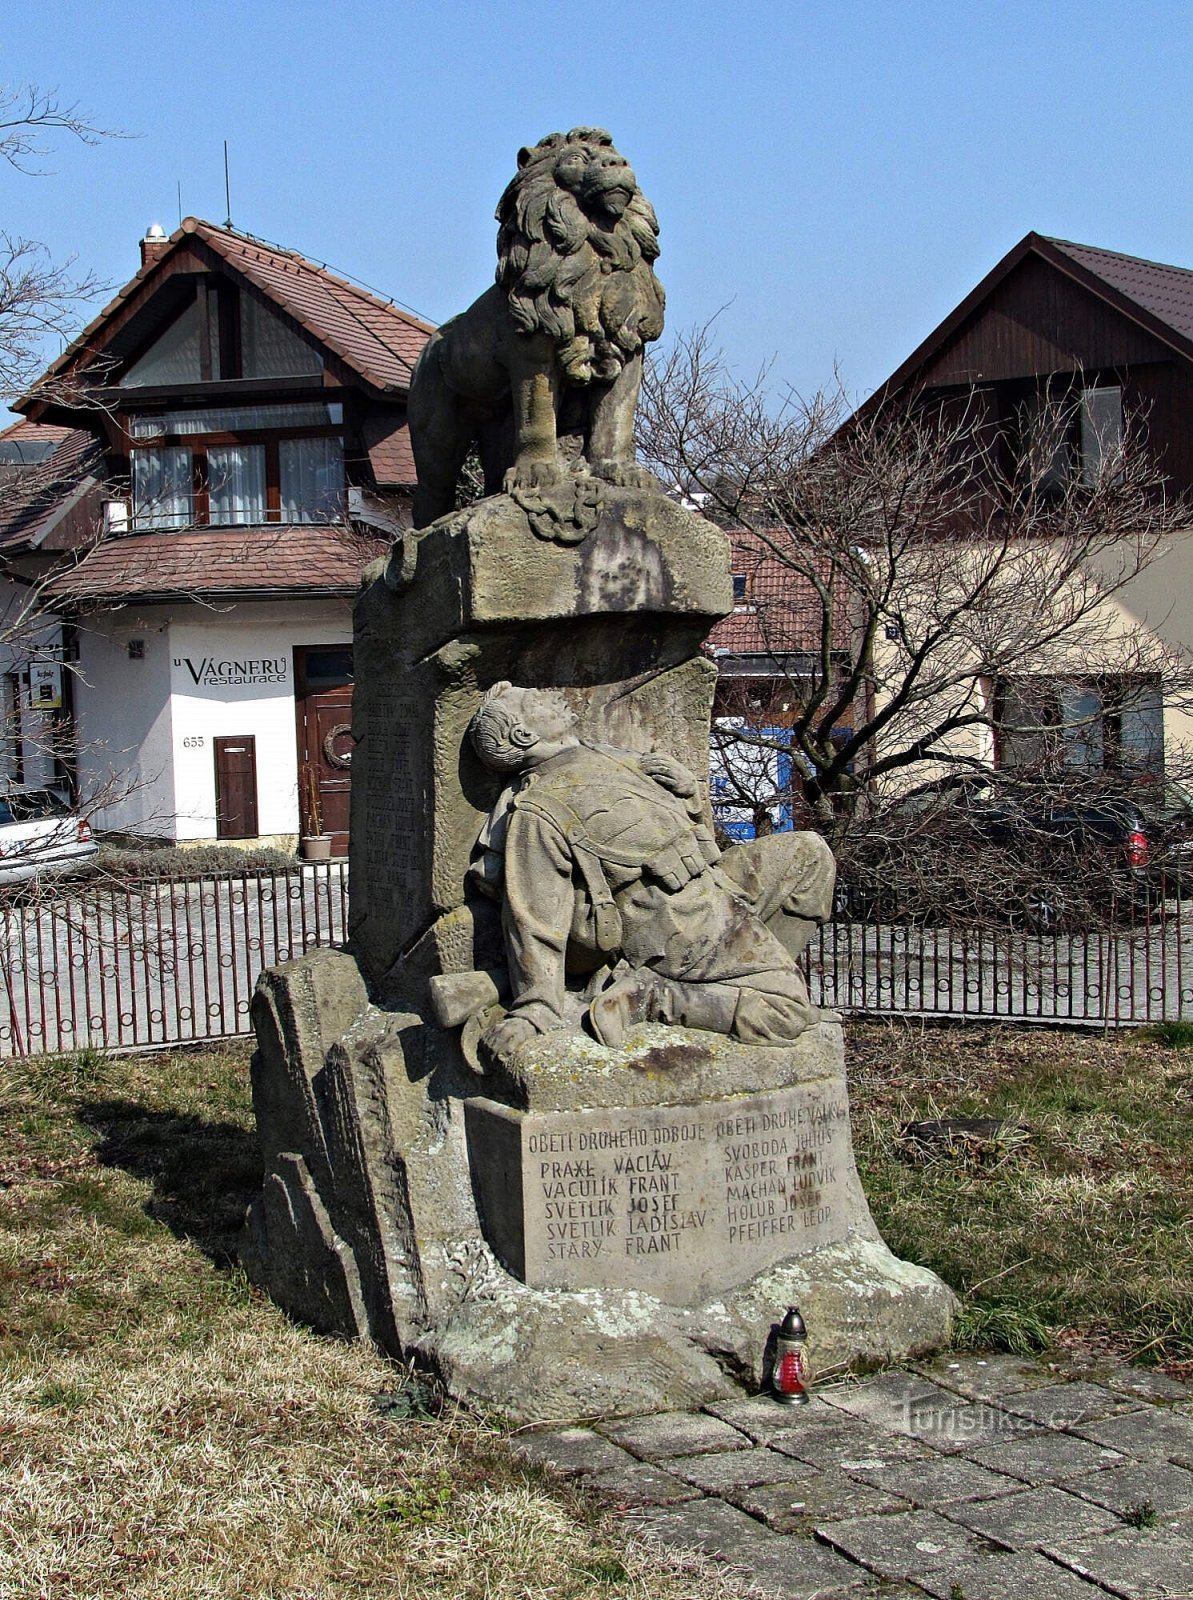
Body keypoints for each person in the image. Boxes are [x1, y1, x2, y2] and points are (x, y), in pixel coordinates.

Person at [467, 683, 835, 1065]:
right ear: (523, 735)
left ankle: (739, 981)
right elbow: (534, 915)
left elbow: (688, 838)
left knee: (809, 854)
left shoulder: (612, 758)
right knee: (787, 1012)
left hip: (712, 881)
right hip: (671, 919)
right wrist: (535, 1008)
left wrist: (689, 795)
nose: (551, 694)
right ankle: (656, 996)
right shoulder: (537, 810)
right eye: (535, 700)